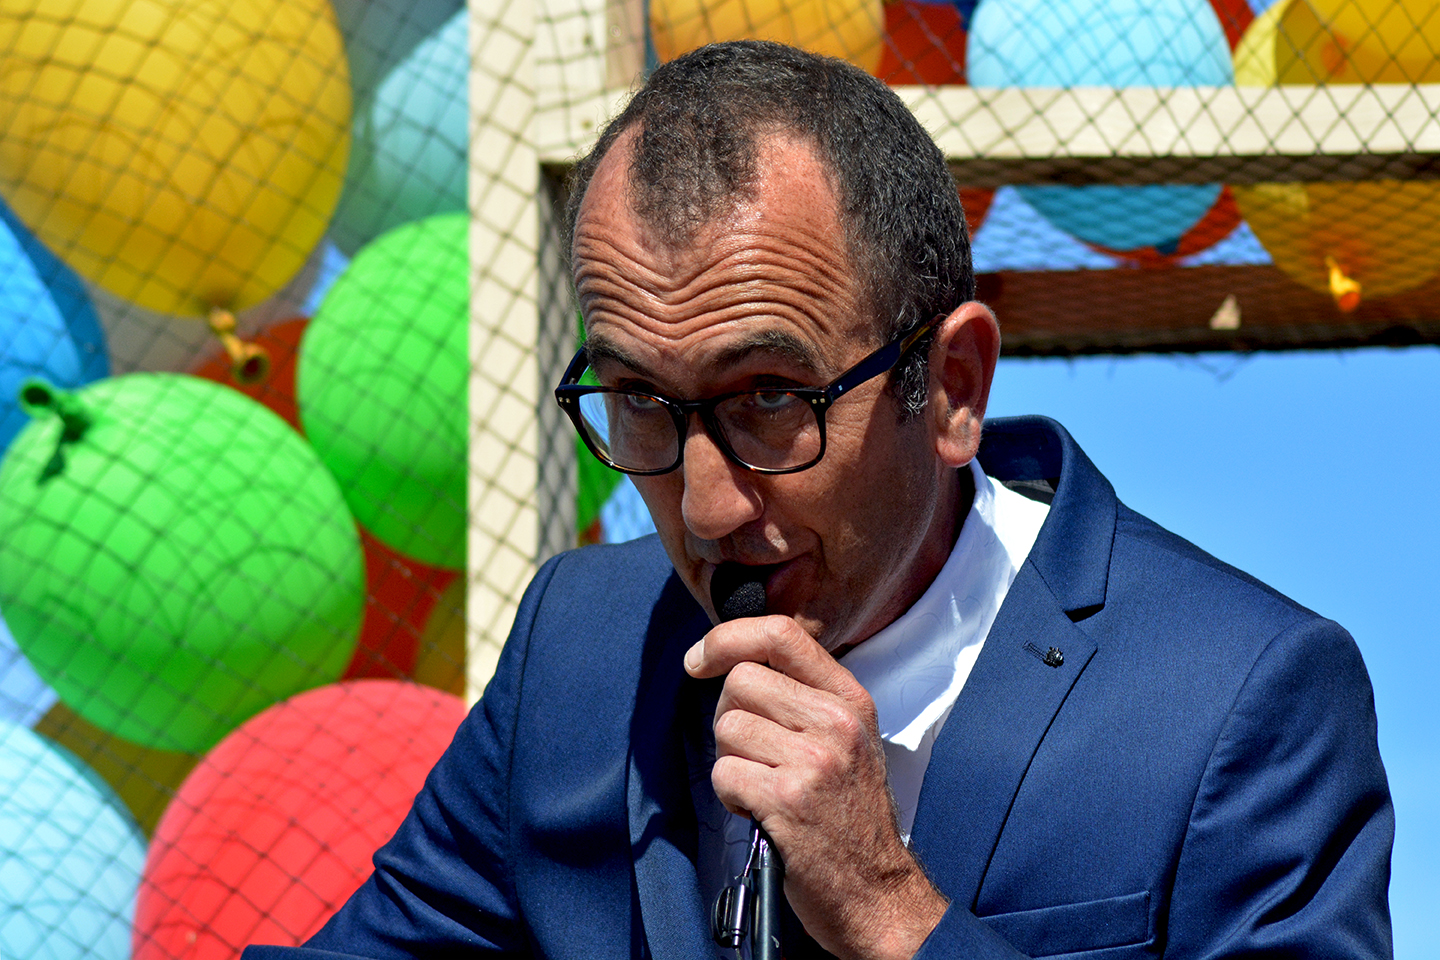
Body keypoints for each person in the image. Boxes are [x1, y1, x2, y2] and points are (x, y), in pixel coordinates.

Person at [245, 40, 1392, 960]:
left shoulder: (1238, 701)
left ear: (953, 387)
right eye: (639, 400)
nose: (705, 508)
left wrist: (892, 911)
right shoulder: (576, 652)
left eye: (768, 399)